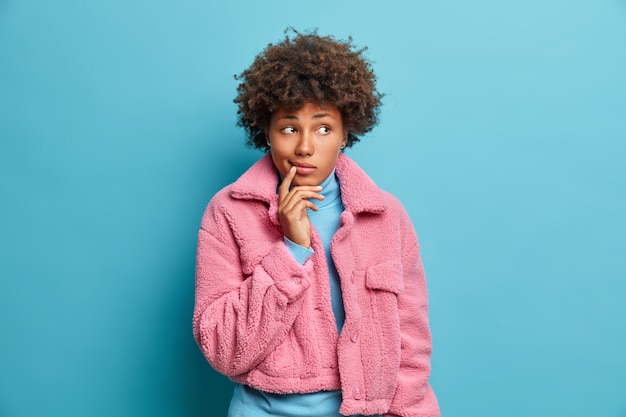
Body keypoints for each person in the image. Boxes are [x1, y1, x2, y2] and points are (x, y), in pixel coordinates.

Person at [193, 29, 440, 417]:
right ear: (267, 134)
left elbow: (411, 345)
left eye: (323, 128)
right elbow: (223, 349)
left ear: (345, 134)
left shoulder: (386, 216)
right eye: (289, 128)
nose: (305, 146)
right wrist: (290, 249)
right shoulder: (229, 211)